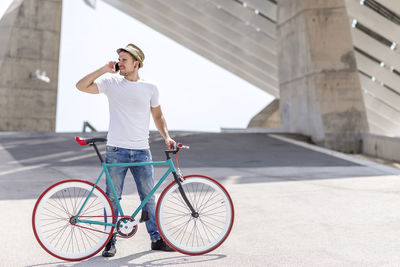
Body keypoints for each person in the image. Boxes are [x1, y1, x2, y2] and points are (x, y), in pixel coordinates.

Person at [76, 43, 176, 257]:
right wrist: (104, 69)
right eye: (119, 59)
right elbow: (81, 86)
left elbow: (158, 116)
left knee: (148, 197)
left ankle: (156, 239)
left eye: (124, 60)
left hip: (142, 150)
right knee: (111, 198)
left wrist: (166, 136)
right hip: (116, 150)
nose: (119, 62)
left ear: (136, 63)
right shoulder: (111, 82)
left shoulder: (150, 87)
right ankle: (109, 241)